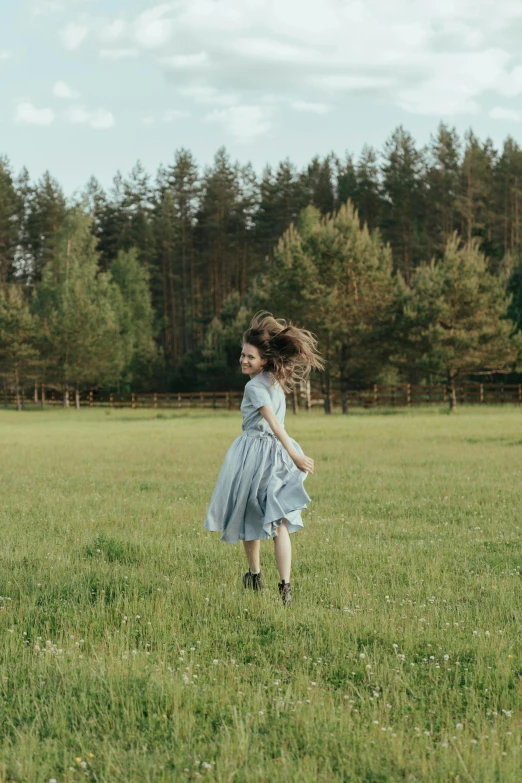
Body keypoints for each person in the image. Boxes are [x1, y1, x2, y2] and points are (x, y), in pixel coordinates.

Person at [204, 312, 324, 604]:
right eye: (242, 355)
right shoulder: (273, 381)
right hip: (276, 456)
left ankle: (256, 575)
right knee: (278, 521)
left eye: (250, 357)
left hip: (256, 456)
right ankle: (284, 585)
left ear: (263, 360)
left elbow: (273, 424)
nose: (243, 361)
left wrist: (296, 455)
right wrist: (290, 454)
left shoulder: (254, 386)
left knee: (250, 516)